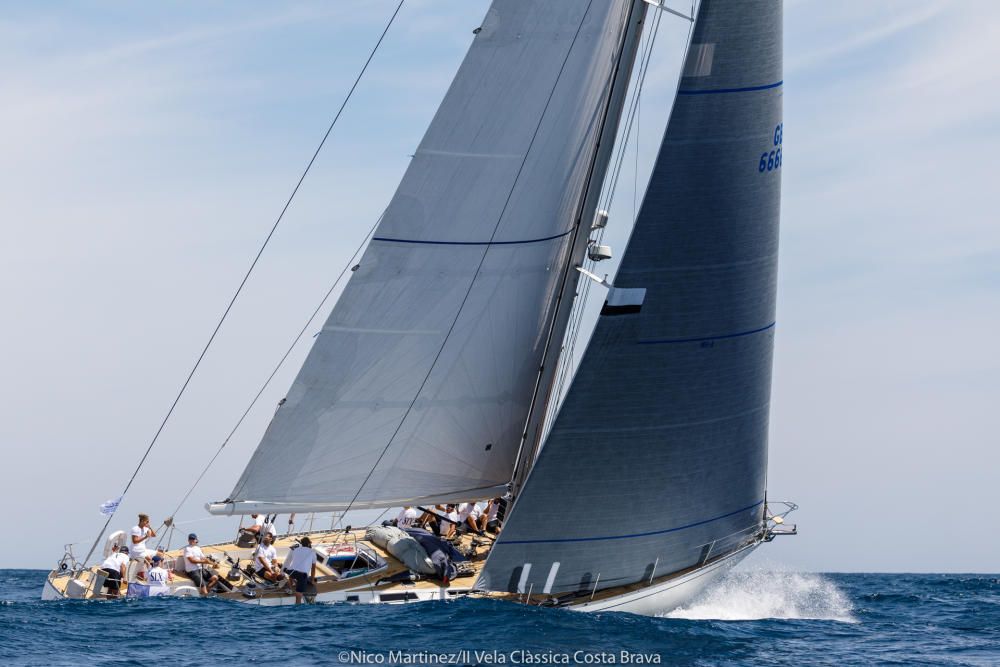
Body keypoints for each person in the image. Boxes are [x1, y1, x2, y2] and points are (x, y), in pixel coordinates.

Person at [284, 536, 317, 605]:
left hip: (291, 572)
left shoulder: (296, 550)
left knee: (293, 572)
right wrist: (312, 580)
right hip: (301, 575)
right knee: (299, 593)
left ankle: (291, 584)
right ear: (309, 544)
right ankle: (297, 607)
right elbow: (313, 569)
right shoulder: (312, 552)